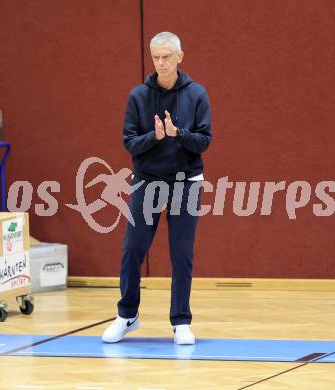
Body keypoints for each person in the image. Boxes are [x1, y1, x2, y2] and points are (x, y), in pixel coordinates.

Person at [102, 31, 212, 345]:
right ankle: (127, 315)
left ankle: (181, 321)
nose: (161, 63)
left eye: (167, 56)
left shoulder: (197, 94)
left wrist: (178, 133)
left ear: (180, 56)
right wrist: (156, 137)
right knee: (132, 250)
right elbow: (130, 143)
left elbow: (204, 141)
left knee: (182, 254)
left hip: (186, 182)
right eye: (156, 57)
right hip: (148, 181)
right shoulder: (138, 96)